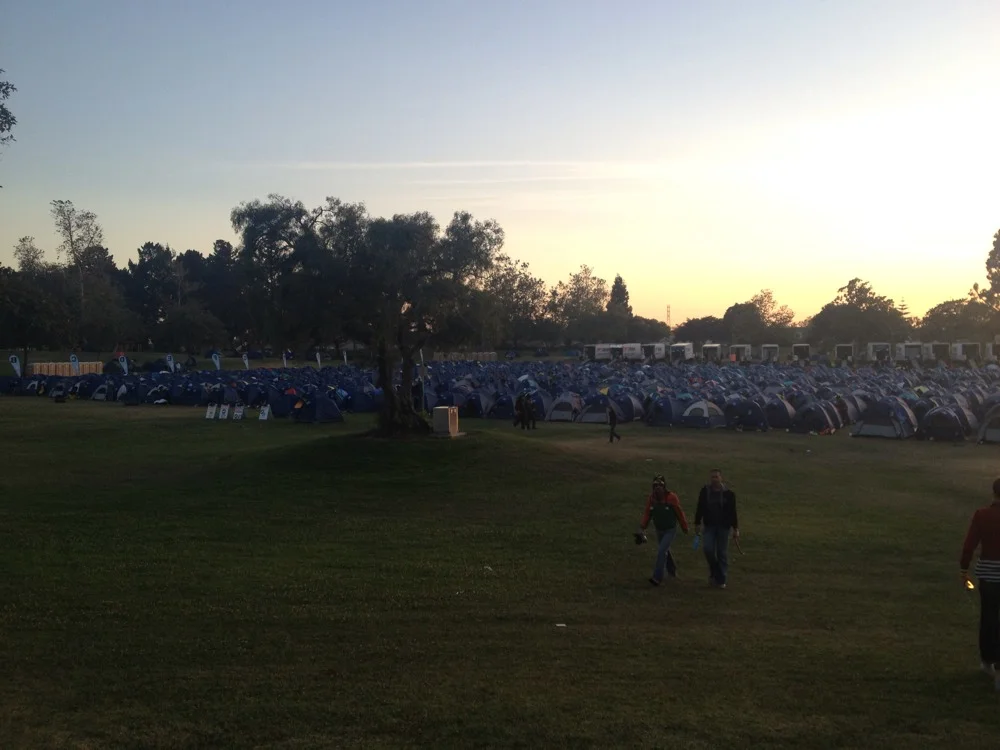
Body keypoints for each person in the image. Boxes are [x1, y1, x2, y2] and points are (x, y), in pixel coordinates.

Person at [960, 478, 1000, 689]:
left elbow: (969, 545)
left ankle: (988, 661)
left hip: (988, 575)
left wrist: (964, 569)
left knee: (989, 618)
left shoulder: (982, 515)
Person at [638, 474, 689, 585]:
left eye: (660, 485)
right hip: (659, 530)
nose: (658, 488)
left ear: (664, 486)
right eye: (655, 485)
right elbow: (647, 513)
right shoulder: (651, 499)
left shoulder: (672, 498)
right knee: (664, 550)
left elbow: (679, 513)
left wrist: (684, 526)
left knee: (661, 551)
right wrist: (642, 527)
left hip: (670, 530)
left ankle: (657, 577)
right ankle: (672, 570)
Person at [694, 468, 739, 589]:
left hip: (723, 527)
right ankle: (715, 571)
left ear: (721, 478)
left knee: (721, 552)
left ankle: (721, 579)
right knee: (708, 549)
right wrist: (697, 523)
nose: (714, 479)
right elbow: (700, 507)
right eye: (712, 477)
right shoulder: (705, 491)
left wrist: (735, 528)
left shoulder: (729, 494)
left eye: (716, 477)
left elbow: (733, 512)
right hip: (709, 526)